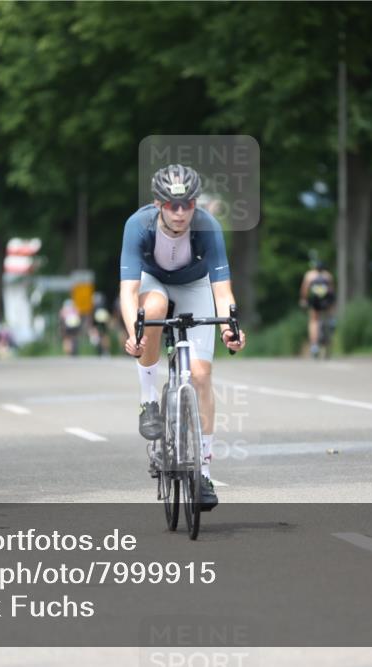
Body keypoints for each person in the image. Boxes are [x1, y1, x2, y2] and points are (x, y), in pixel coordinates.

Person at [119, 163, 246, 511]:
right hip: (153, 282)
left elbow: (222, 291)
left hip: (194, 285)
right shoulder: (138, 225)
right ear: (158, 204)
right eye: (172, 205)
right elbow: (128, 292)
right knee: (154, 308)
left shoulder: (208, 226)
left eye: (187, 204)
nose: (179, 212)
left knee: (201, 375)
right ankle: (148, 400)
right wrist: (135, 335)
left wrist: (229, 329)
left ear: (195, 204)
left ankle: (203, 471)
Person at [298, 258, 336, 358]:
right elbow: (331, 292)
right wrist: (332, 304)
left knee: (313, 321)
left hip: (315, 301)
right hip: (326, 301)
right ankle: (331, 322)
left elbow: (304, 289)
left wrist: (303, 300)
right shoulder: (328, 275)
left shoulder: (309, 275)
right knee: (328, 318)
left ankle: (314, 346)